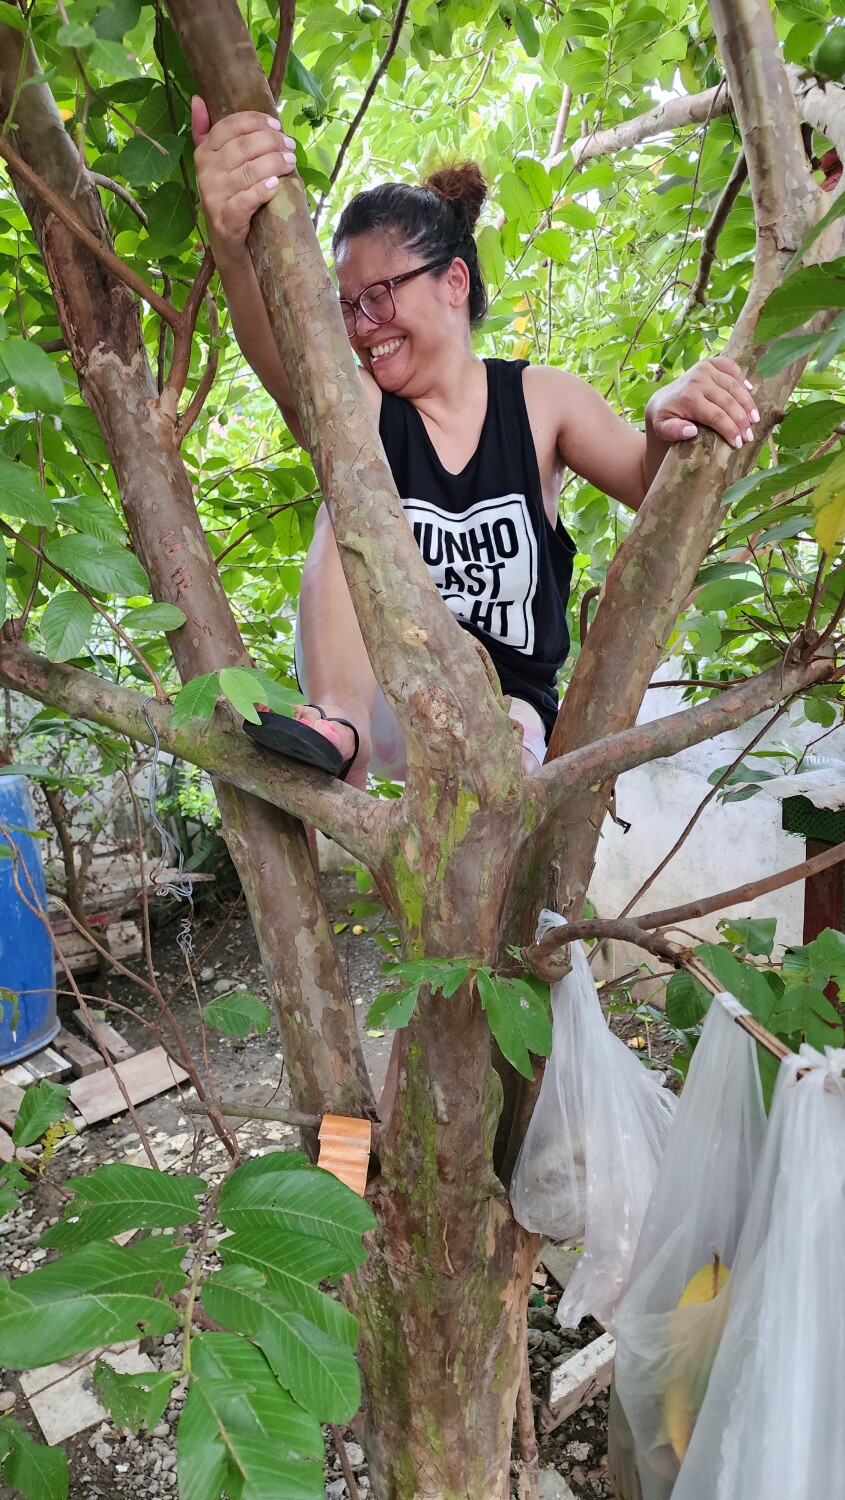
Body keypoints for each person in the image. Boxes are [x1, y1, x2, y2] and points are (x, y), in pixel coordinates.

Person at [192, 101, 760, 791]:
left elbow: (650, 485)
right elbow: (283, 364)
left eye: (377, 296)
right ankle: (337, 728)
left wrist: (661, 418)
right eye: (345, 308)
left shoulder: (542, 400)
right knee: (344, 507)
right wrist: (230, 243)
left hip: (502, 710)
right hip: (381, 689)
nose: (362, 327)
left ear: (452, 282)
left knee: (493, 799)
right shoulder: (362, 409)